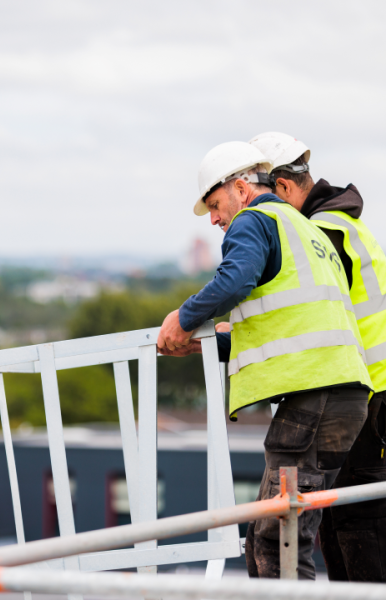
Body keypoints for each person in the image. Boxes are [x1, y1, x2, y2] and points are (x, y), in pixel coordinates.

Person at [157, 140, 373, 580]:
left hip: (312, 399)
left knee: (280, 542)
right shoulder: (305, 228)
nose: (215, 219)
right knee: (279, 532)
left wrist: (184, 319)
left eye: (215, 205)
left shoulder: (255, 219)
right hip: (345, 397)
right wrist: (214, 343)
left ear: (240, 188)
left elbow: (237, 278)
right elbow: (292, 323)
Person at [250, 132, 386, 582]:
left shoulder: (319, 232)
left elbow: (305, 318)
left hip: (369, 389)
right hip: (368, 388)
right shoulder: (341, 223)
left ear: (285, 189)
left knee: (355, 519)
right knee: (344, 517)